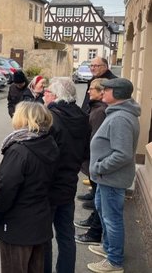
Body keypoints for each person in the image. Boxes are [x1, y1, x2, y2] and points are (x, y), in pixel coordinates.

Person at [0, 102, 60, 273]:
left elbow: (5, 189)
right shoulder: (48, 142)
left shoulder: (19, 150)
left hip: (18, 226)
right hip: (39, 221)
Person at [87, 78, 140, 273]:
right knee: (104, 212)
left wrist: (100, 167)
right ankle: (109, 248)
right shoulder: (118, 113)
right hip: (106, 178)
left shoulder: (120, 118)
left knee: (112, 219)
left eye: (107, 90)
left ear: (117, 95)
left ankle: (114, 261)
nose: (103, 92)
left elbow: (123, 154)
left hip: (111, 178)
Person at [42, 77, 91, 273]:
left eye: (46, 92)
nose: (43, 94)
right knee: (66, 234)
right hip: (69, 181)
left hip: (50, 185)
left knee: (44, 236)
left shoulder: (51, 118)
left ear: (55, 96)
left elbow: (44, 155)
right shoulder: (82, 115)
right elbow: (86, 152)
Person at [75, 78, 107, 246]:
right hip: (92, 160)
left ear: (102, 92)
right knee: (97, 198)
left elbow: (96, 140)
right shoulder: (97, 108)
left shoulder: (100, 111)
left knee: (100, 200)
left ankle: (94, 233)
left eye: (92, 89)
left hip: (96, 161)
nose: (88, 91)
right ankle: (93, 224)